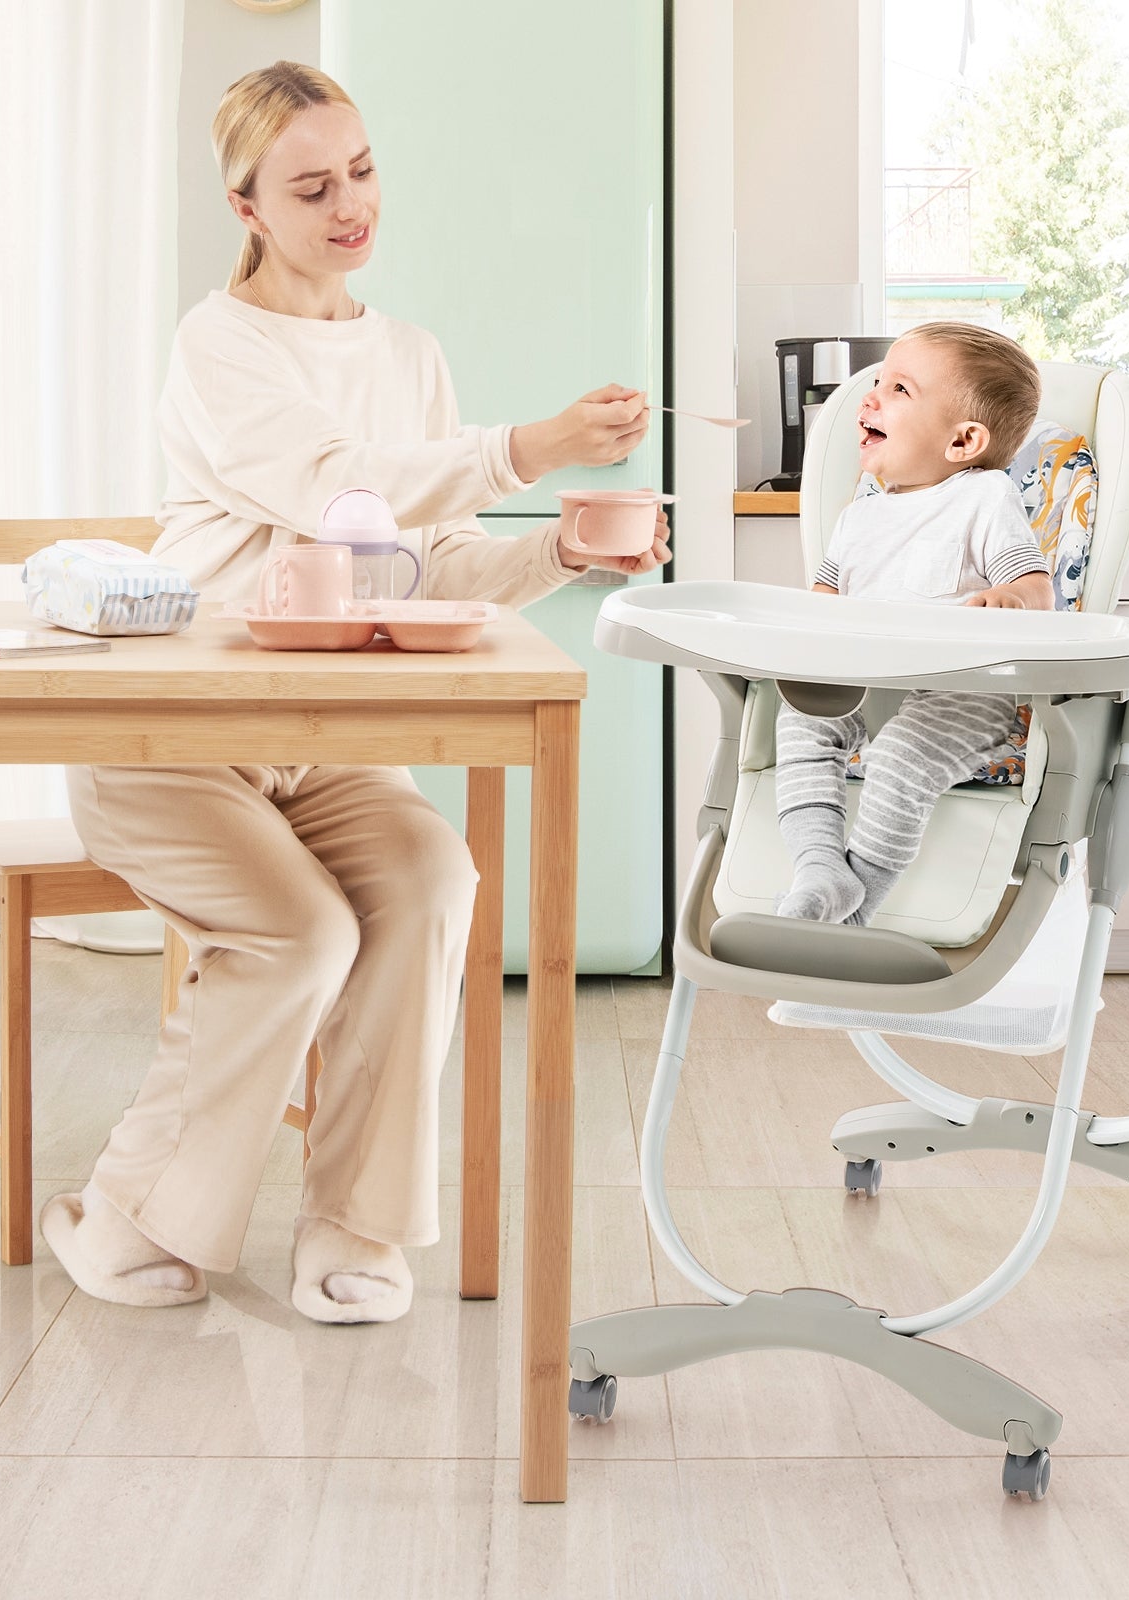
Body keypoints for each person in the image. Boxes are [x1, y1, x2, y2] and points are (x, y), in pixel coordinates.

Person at [41, 61, 669, 1324]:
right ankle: (124, 1211)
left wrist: (563, 547)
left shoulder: (410, 355)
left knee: (437, 880)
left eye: (363, 171)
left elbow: (423, 561)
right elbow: (341, 489)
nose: (350, 206)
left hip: (322, 739)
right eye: (312, 186)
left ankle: (356, 1222)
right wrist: (532, 445)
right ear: (248, 207)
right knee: (303, 932)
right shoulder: (217, 344)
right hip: (176, 735)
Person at [775, 322, 1049, 927]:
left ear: (963, 441)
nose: (868, 398)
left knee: (902, 754)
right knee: (799, 724)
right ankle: (820, 868)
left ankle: (856, 905)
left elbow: (1034, 587)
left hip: (960, 688)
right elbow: (818, 602)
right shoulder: (857, 517)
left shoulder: (984, 497)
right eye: (876, 383)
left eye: (898, 389)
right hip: (863, 680)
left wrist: (1008, 602)